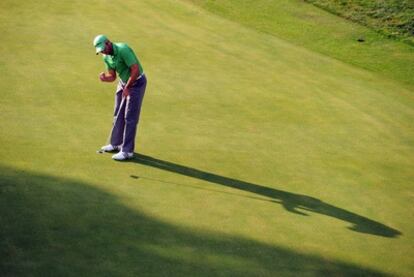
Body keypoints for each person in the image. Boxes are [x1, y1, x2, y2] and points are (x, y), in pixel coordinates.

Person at [93, 34, 147, 161]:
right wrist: (104, 78)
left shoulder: (123, 49)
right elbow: (112, 76)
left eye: (103, 48)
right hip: (124, 83)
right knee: (118, 113)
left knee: (130, 117)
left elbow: (135, 70)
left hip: (137, 82)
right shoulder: (106, 57)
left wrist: (128, 87)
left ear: (108, 43)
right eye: (100, 51)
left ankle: (127, 151)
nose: (103, 52)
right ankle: (115, 144)